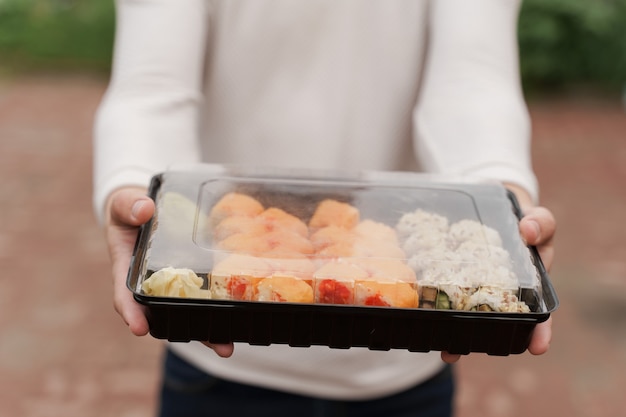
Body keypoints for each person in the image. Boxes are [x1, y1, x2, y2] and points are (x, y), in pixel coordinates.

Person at [93, 1, 556, 416]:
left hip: (406, 351)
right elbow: (152, 86)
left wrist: (503, 204)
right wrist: (136, 190)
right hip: (216, 340)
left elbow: (472, 82)